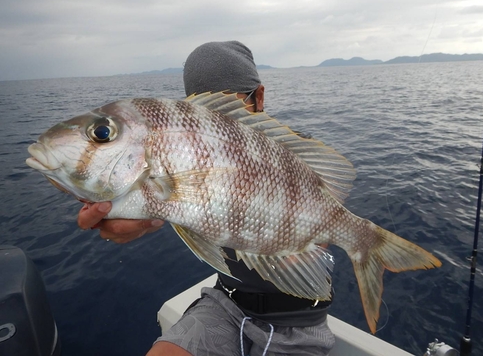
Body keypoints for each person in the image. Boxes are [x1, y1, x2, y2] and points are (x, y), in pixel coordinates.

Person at [78, 41, 335, 356]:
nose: (222, 127)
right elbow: (169, 204)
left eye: (231, 110)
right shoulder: (188, 158)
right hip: (225, 303)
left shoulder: (298, 155)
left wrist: (296, 243)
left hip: (296, 319)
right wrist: (133, 214)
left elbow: (323, 231)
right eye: (208, 115)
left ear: (260, 98)